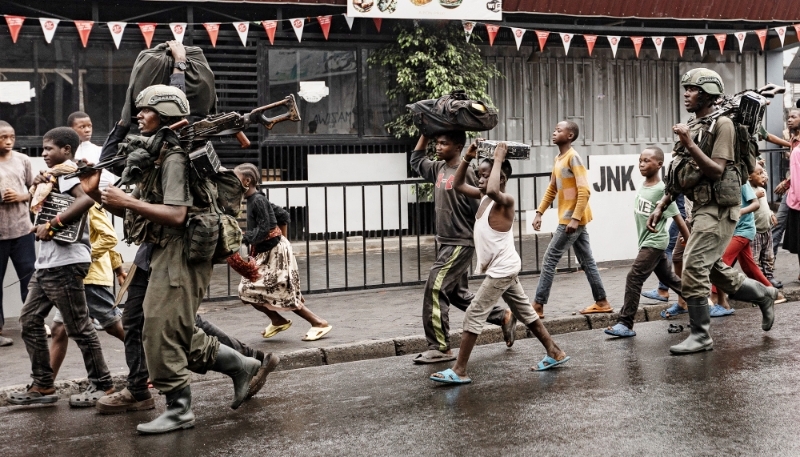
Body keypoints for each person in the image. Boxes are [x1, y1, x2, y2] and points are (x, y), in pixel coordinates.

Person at [86, 42, 277, 426]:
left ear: (165, 114)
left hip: (182, 247)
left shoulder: (175, 154)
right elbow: (138, 204)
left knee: (162, 327)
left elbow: (175, 214)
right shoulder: (155, 152)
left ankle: (180, 407)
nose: (137, 116)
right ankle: (240, 364)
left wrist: (127, 202)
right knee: (159, 327)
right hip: (161, 249)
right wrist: (96, 192)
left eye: (145, 111)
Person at [648, 68, 778, 355]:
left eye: (692, 89)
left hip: (720, 208)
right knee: (716, 270)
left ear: (706, 95)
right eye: (686, 89)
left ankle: (701, 335)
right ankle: (764, 295)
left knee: (694, 266)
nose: (686, 94)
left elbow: (717, 170)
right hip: (702, 207)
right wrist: (661, 205)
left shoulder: (722, 126)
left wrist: (690, 143)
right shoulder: (695, 125)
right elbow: (679, 173)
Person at [429, 141, 569, 384]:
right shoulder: (484, 196)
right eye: (480, 175)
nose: (480, 180)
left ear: (501, 178)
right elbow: (459, 185)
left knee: (473, 314)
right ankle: (555, 352)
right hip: (503, 267)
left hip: (501, 270)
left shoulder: (506, 200)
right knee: (525, 312)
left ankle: (460, 370)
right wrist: (467, 158)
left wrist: (498, 158)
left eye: (485, 175)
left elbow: (493, 189)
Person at [7, 127, 116, 406]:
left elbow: (85, 200)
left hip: (66, 263)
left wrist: (53, 225)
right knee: (29, 321)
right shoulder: (54, 176)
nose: (43, 153)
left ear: (66, 150)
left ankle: (103, 385)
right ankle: (43, 386)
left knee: (78, 327)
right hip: (47, 264)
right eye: (43, 149)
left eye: (49, 149)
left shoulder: (67, 173)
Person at [409, 132, 516, 364]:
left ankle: (439, 346)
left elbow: (485, 205)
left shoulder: (469, 172)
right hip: (445, 241)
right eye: (437, 143)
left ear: (458, 146)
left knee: (435, 288)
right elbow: (416, 160)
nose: (438, 147)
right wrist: (425, 133)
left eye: (443, 143)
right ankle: (503, 316)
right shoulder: (438, 168)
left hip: (460, 241)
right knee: (457, 294)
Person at [233, 163, 332, 342]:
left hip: (274, 254)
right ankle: (277, 320)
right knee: (248, 291)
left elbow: (265, 229)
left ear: (247, 181)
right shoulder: (255, 199)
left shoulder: (258, 201)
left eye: (235, 178)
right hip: (271, 251)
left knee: (281, 293)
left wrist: (243, 237)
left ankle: (319, 323)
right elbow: (284, 216)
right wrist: (283, 242)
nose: (231, 182)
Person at [605, 147, 690, 338]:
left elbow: (677, 217)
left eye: (647, 161)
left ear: (659, 165)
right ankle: (700, 301)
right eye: (640, 160)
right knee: (670, 280)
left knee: (633, 278)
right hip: (647, 242)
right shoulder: (645, 185)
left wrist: (688, 239)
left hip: (655, 242)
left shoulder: (662, 190)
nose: (642, 164)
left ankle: (625, 323)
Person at [531, 120, 613, 317]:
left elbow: (584, 190)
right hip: (572, 218)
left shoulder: (573, 157)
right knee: (587, 261)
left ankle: (538, 305)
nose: (554, 131)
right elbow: (552, 188)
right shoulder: (559, 158)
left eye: (559, 130)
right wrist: (539, 212)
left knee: (550, 258)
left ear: (569, 136)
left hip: (571, 220)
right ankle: (602, 302)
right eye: (554, 128)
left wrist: (575, 219)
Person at [48, 203, 125, 382]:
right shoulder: (68, 201)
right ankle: (45, 383)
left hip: (92, 278)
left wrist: (82, 254)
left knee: (115, 327)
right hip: (74, 277)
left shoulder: (87, 203)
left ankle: (152, 367)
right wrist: (119, 269)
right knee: (59, 330)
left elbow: (109, 238)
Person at [708, 179, 786, 316]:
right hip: (732, 229)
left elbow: (755, 204)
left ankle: (716, 298)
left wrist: (740, 212)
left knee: (721, 260)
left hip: (743, 230)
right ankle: (774, 294)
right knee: (750, 267)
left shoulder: (741, 182)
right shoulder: (721, 181)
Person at [0, 120, 35, 347]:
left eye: (11, 136)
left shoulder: (23, 160)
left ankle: (33, 322)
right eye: (3, 137)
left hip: (23, 230)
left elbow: (37, 189)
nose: (9, 141)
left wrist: (22, 197)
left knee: (30, 279)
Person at [773, 109, 800, 272]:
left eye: (793, 117)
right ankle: (768, 264)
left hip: (795, 191)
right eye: (788, 117)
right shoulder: (793, 139)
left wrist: (786, 182)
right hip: (792, 192)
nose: (789, 120)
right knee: (777, 225)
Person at [750, 166, 781, 291]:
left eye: (763, 172)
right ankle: (759, 279)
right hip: (755, 231)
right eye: (760, 173)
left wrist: (772, 214)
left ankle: (769, 276)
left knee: (768, 256)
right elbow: (745, 203)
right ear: (749, 176)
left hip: (766, 229)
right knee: (755, 258)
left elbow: (765, 206)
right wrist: (754, 195)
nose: (764, 176)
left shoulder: (761, 189)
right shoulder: (747, 189)